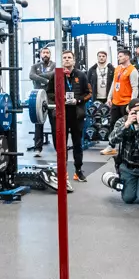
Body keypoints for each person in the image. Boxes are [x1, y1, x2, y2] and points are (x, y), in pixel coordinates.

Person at [57, 50, 91, 182]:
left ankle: (78, 171)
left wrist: (78, 100)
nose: (67, 60)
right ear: (62, 60)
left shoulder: (81, 75)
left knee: (78, 144)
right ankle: (63, 172)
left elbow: (89, 93)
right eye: (64, 57)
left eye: (69, 57)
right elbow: (49, 94)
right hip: (62, 115)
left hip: (77, 115)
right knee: (62, 145)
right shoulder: (57, 75)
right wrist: (60, 99)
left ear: (74, 60)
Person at [29, 47, 54, 152]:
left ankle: (58, 148)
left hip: (51, 96)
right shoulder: (35, 66)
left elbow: (53, 74)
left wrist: (38, 76)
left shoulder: (55, 65)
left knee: (55, 122)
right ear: (40, 54)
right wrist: (46, 80)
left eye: (47, 53)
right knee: (38, 123)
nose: (45, 54)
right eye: (44, 53)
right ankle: (38, 148)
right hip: (39, 97)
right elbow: (31, 75)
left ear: (50, 54)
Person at [108, 48, 136, 131]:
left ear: (127, 57)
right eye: (118, 56)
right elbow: (114, 83)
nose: (118, 58)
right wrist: (109, 97)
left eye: (120, 56)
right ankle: (112, 142)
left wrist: (132, 104)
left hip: (126, 103)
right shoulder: (117, 68)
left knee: (126, 125)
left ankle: (126, 143)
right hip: (116, 102)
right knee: (113, 123)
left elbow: (135, 88)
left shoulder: (132, 70)